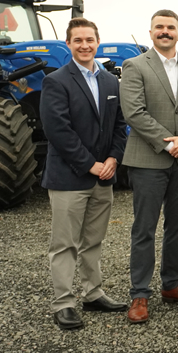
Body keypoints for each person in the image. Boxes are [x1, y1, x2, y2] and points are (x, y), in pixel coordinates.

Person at [120, 10, 178, 324]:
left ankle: (172, 284)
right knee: (144, 228)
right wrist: (169, 143)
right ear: (151, 32)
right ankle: (139, 294)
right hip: (148, 159)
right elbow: (134, 111)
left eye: (171, 27)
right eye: (159, 27)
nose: (165, 31)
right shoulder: (134, 66)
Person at [41, 17, 128, 330]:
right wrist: (90, 164)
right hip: (69, 178)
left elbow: (120, 125)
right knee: (65, 244)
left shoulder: (110, 82)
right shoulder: (56, 81)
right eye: (77, 40)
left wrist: (114, 158)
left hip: (103, 176)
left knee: (93, 240)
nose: (84, 45)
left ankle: (93, 293)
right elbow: (58, 130)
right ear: (68, 44)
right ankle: (63, 303)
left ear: (97, 42)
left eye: (89, 40)